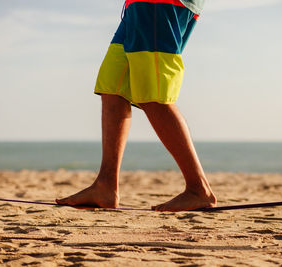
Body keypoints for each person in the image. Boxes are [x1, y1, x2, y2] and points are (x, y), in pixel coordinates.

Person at [56, 0, 216, 212]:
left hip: (161, 2)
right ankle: (106, 185)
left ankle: (199, 189)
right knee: (113, 86)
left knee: (152, 93)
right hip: (137, 5)